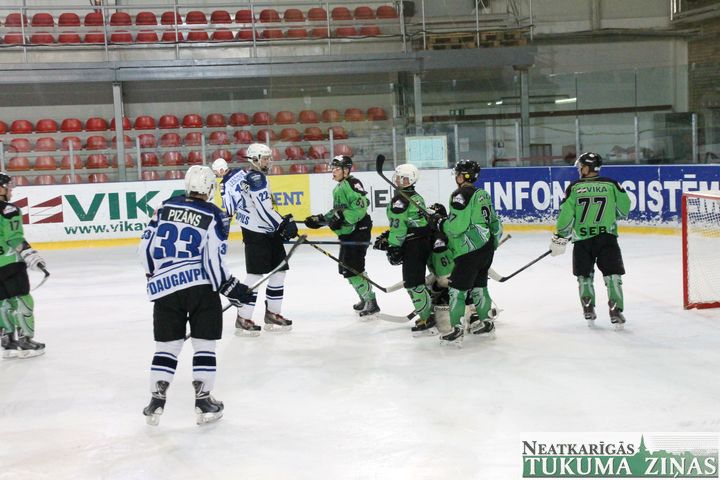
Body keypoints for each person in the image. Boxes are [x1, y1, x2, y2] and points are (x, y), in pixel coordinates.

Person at [139, 165, 253, 426]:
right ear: (210, 188)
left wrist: (155, 277)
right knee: (204, 345)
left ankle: (156, 401)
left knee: (166, 347)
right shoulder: (214, 215)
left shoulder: (164, 208)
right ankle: (203, 402)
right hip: (202, 290)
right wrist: (231, 288)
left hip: (166, 289)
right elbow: (213, 260)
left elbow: (145, 248)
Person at [549, 152, 631, 329]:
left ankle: (588, 307)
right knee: (612, 275)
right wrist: (609, 217)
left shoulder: (574, 187)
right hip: (607, 238)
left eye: (581, 167)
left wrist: (561, 235)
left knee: (584, 275)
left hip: (582, 240)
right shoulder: (612, 184)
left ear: (586, 168)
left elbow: (566, 216)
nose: (579, 170)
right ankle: (615, 309)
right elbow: (624, 209)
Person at [433, 160, 502, 346]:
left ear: (464, 176)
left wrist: (440, 223)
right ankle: (487, 323)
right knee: (480, 286)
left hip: (469, 250)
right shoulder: (483, 194)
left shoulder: (460, 195)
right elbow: (495, 223)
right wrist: (492, 244)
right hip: (486, 247)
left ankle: (456, 330)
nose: (456, 177)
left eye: (458, 174)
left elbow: (457, 227)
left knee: (457, 290)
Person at [233, 143, 298, 336]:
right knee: (255, 276)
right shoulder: (256, 178)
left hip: (266, 231)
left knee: (279, 272)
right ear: (254, 159)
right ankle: (243, 317)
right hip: (257, 234)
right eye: (265, 158)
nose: (268, 161)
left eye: (269, 158)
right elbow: (263, 209)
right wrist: (282, 224)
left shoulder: (251, 176)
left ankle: (272, 313)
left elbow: (260, 208)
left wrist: (280, 224)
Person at [304, 155, 379, 317]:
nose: (334, 171)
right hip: (349, 232)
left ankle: (371, 301)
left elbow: (360, 208)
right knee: (346, 268)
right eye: (333, 168)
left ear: (346, 170)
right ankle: (364, 297)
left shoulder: (352, 183)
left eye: (337, 168)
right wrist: (321, 220)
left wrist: (342, 219)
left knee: (354, 268)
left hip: (358, 230)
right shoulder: (339, 187)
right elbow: (338, 212)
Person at [377, 164, 437, 336]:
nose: (396, 180)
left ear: (408, 180)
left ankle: (427, 318)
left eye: (400, 178)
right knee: (416, 281)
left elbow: (399, 227)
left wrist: (393, 246)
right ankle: (428, 312)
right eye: (396, 177)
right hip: (422, 243)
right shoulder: (416, 197)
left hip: (414, 245)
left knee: (413, 283)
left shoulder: (400, 200)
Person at [0, 172, 46, 359]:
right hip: (10, 264)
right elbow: (14, 237)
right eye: (7, 187)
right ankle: (25, 341)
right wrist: (29, 253)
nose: (10, 190)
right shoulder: (8, 209)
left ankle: (7, 342)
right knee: (22, 300)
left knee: (2, 301)